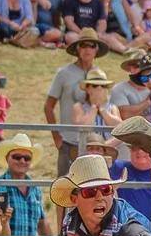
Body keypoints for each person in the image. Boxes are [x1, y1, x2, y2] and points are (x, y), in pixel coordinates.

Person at [46, 27, 108, 178]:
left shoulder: (100, 75)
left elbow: (105, 106)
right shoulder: (63, 73)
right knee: (64, 188)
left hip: (94, 144)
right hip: (68, 141)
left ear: (96, 49)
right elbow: (48, 107)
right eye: (83, 45)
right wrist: (57, 137)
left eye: (91, 45)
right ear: (78, 48)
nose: (87, 49)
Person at [71, 68, 121, 141]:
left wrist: (103, 111)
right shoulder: (79, 107)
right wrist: (94, 109)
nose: (99, 88)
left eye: (103, 86)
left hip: (109, 148)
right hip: (87, 149)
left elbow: (120, 128)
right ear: (88, 89)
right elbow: (82, 127)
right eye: (95, 85)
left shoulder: (112, 107)